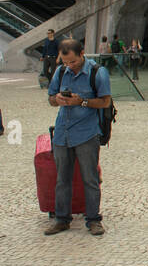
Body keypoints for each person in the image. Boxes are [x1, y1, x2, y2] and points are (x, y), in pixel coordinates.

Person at [44, 39, 111, 236]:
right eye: (65, 62)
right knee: (62, 179)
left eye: (72, 62)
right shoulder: (60, 71)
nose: (69, 66)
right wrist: (57, 100)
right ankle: (62, 219)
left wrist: (81, 102)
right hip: (62, 133)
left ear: (82, 53)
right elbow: (50, 99)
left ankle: (93, 219)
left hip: (86, 133)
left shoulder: (98, 72)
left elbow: (105, 102)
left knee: (90, 178)